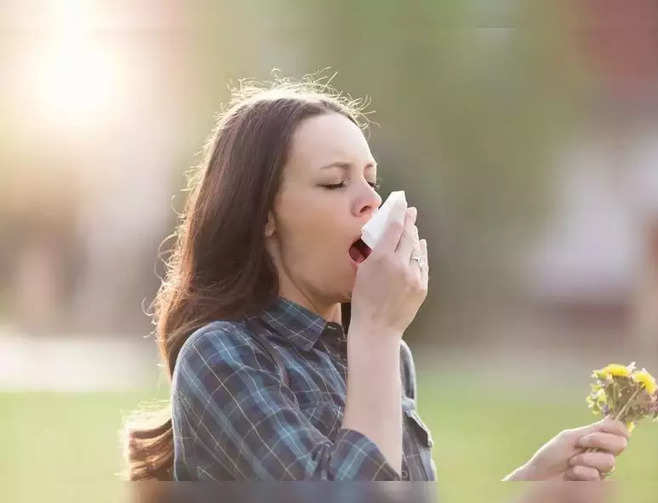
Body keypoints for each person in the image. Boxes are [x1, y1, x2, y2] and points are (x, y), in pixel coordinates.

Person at [122, 76, 629, 481]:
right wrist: (378, 333)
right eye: (335, 181)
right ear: (263, 215)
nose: (370, 200)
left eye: (371, 179)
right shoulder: (223, 356)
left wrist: (530, 487)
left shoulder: (385, 356)